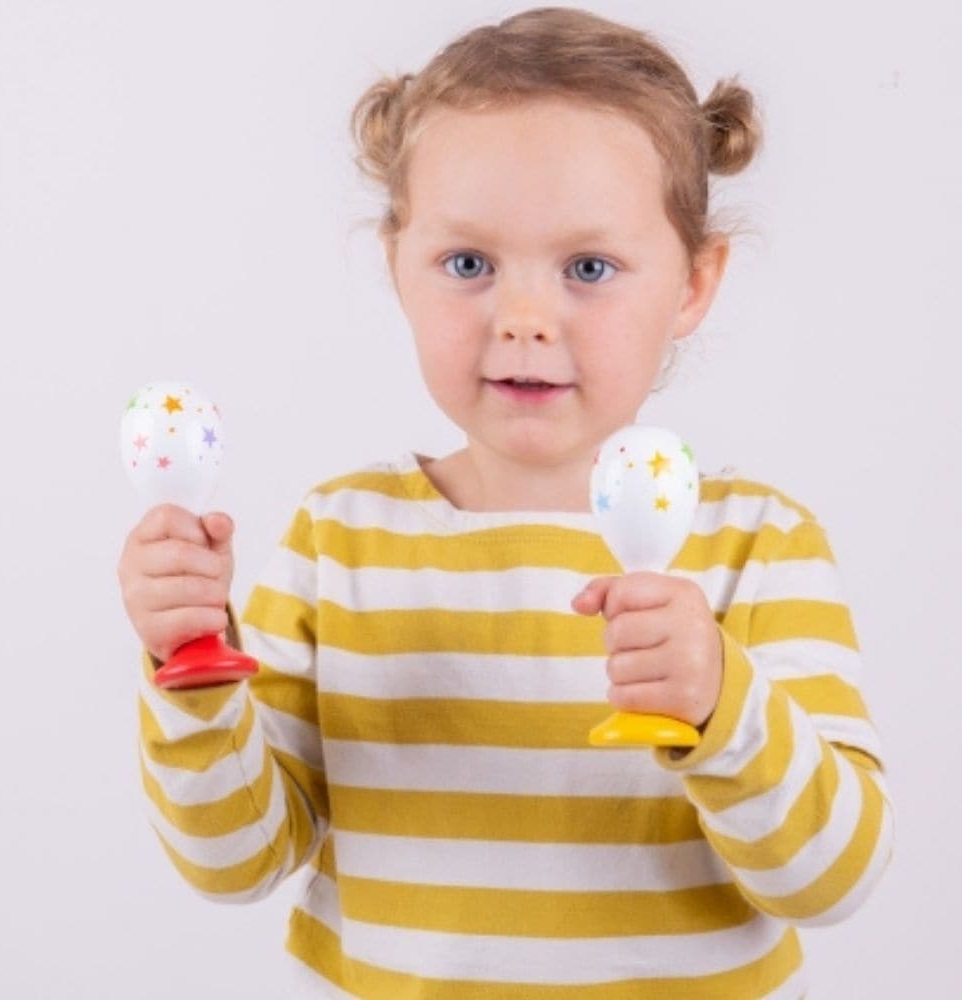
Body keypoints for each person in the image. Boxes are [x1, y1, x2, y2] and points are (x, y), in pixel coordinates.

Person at [118, 8, 892, 997]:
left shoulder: (758, 544)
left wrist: (721, 706)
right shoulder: (338, 540)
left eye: (588, 269)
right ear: (398, 264)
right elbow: (237, 864)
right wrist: (191, 667)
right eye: (469, 264)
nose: (524, 320)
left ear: (694, 283)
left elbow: (832, 881)